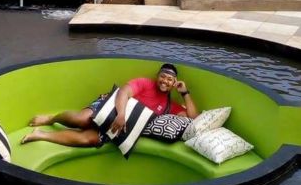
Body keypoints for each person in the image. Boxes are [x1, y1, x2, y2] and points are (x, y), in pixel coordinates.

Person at [21, 63, 199, 148]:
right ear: (157, 76)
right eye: (163, 76)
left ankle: (42, 135)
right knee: (82, 120)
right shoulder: (145, 83)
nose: (165, 81)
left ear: (174, 83)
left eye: (170, 79)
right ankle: (51, 118)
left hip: (118, 127)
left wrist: (185, 92)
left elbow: (193, 118)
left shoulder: (169, 105)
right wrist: (121, 114)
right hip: (111, 108)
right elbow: (123, 92)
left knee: (89, 140)